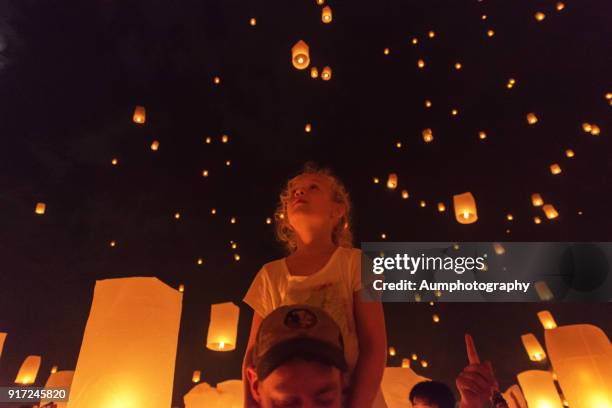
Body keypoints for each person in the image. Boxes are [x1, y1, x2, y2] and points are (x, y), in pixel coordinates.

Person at [243, 163, 387, 408]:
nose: (299, 193)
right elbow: (253, 356)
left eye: (313, 187)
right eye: (293, 191)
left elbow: (374, 345)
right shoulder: (270, 275)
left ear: (337, 209)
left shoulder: (357, 263)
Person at [245, 304, 349, 408]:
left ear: (344, 381)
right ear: (255, 386)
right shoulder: (265, 289)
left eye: (325, 400)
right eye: (287, 404)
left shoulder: (364, 288)